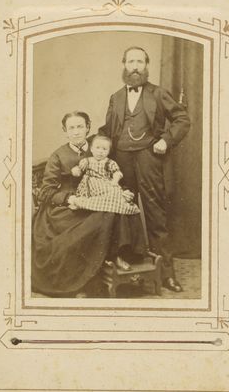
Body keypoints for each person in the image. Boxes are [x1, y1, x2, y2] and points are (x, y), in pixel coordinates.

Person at [99, 46, 190, 292]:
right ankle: (130, 270)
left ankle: (167, 275)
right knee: (124, 212)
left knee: (156, 215)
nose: (135, 67)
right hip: (121, 161)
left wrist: (166, 140)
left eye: (140, 62)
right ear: (124, 65)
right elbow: (107, 131)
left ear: (146, 66)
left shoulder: (158, 94)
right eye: (131, 61)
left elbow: (182, 119)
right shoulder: (116, 97)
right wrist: (90, 146)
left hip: (149, 159)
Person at [32, 111, 146, 297]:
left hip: (99, 198)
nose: (76, 132)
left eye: (80, 127)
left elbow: (112, 176)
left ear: (88, 128)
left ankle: (116, 258)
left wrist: (124, 190)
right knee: (99, 220)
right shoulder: (58, 155)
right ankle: (88, 279)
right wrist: (69, 199)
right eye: (71, 128)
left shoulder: (99, 148)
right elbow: (46, 191)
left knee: (117, 209)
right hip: (68, 206)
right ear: (65, 131)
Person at [69, 135, 140, 217]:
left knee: (115, 193)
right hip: (90, 184)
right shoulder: (87, 161)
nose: (100, 151)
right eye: (97, 148)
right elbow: (79, 170)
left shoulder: (109, 162)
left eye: (104, 149)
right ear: (91, 149)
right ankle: (83, 203)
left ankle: (110, 204)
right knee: (87, 197)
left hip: (105, 183)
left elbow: (117, 173)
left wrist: (115, 181)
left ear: (108, 152)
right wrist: (76, 171)